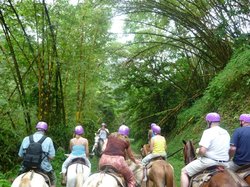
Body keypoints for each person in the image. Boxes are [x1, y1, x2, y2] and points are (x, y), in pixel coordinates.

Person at [180, 112, 230, 187]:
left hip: (209, 162)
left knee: (184, 172)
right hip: (225, 163)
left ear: (209, 122)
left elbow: (203, 151)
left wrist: (198, 151)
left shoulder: (208, 132)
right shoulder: (225, 132)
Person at [18, 121, 56, 187]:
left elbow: (20, 155)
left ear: (36, 129)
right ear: (45, 130)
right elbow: (52, 156)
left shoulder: (26, 138)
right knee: (53, 180)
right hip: (44, 167)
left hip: (26, 166)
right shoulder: (48, 140)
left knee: (18, 178)